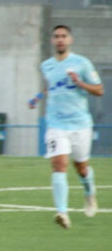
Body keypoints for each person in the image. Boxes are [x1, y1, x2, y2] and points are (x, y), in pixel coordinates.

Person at [29, 25, 104, 228]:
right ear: (52, 41)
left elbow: (99, 90)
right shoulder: (47, 66)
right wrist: (37, 97)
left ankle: (89, 191)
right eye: (56, 36)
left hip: (80, 124)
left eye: (64, 36)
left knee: (81, 168)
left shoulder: (82, 63)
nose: (60, 40)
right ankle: (62, 213)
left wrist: (80, 83)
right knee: (59, 164)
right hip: (56, 124)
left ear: (70, 40)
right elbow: (50, 86)